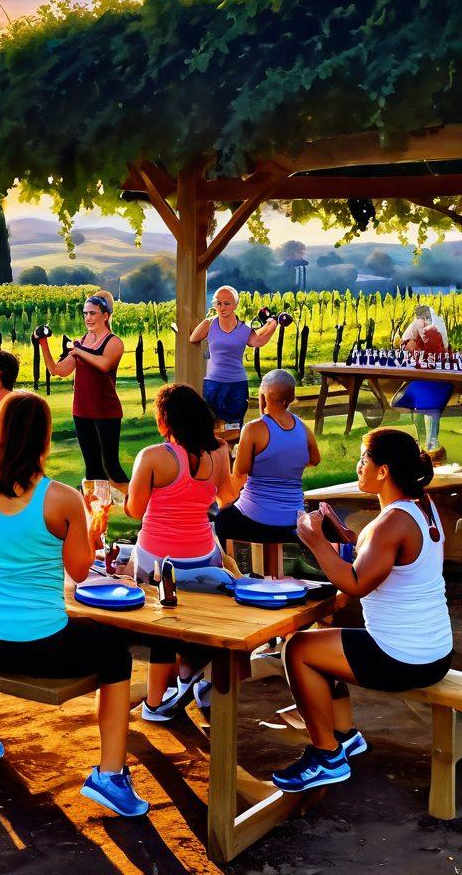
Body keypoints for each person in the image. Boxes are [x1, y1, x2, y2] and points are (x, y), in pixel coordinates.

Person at [0, 391, 148, 816]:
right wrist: (91, 532)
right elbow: (81, 572)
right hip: (42, 641)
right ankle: (110, 774)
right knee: (116, 654)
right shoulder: (61, 498)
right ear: (44, 439)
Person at [276, 428, 453, 792]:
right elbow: (388, 559)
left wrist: (315, 541)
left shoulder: (390, 523)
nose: (358, 466)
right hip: (435, 652)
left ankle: (327, 757)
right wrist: (344, 534)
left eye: (363, 459)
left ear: (383, 471)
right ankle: (345, 736)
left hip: (403, 659)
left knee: (297, 649)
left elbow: (356, 584)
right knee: (330, 640)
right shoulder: (422, 506)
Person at [124, 383, 238, 722]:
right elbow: (226, 497)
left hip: (158, 562)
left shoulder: (153, 456)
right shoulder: (218, 451)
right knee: (199, 614)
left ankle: (156, 702)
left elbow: (134, 509)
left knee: (162, 624)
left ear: (164, 422)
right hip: (204, 557)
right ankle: (190, 672)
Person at [216, 370, 321, 563]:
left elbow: (239, 473)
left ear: (262, 396)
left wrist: (227, 500)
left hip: (255, 518)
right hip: (293, 518)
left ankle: (232, 574)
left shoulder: (253, 429)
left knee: (222, 519)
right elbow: (315, 459)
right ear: (291, 398)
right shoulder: (303, 428)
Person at [38, 290, 128, 492]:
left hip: (106, 411)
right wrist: (43, 343)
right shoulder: (82, 342)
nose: (88, 318)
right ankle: (97, 515)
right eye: (85, 313)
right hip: (81, 411)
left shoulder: (114, 342)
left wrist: (79, 350)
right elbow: (57, 370)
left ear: (105, 316)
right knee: (93, 468)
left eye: (93, 313)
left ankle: (139, 507)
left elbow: (104, 364)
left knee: (111, 467)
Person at [190, 286, 277, 428]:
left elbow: (258, 340)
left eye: (227, 303)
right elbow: (193, 338)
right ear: (214, 305)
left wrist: (272, 324)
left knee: (235, 427)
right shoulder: (210, 324)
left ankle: (233, 450)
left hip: (237, 384)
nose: (222, 307)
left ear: (235, 305)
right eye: (218, 303)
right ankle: (218, 450)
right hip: (213, 384)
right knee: (213, 427)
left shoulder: (244, 329)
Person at [396, 304, 452, 461]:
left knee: (429, 405)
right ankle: (426, 446)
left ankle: (430, 446)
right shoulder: (423, 325)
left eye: (424, 317)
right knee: (424, 406)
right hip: (423, 372)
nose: (422, 320)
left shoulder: (432, 327)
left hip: (431, 373)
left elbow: (439, 348)